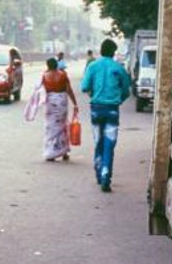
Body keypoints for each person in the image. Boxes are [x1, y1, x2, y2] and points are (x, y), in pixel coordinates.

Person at [80, 38, 131, 192]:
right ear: (114, 52)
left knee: (98, 141)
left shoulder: (93, 66)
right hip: (112, 110)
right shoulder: (118, 68)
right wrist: (118, 100)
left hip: (96, 109)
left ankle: (98, 170)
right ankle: (105, 175)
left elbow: (84, 87)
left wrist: (94, 95)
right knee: (109, 144)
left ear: (101, 51)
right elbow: (126, 91)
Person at [41, 57, 78, 161]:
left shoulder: (44, 76)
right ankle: (64, 152)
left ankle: (51, 153)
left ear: (47, 66)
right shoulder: (63, 75)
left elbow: (41, 92)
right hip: (61, 103)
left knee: (51, 127)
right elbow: (69, 90)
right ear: (56, 65)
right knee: (62, 126)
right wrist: (75, 103)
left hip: (50, 104)